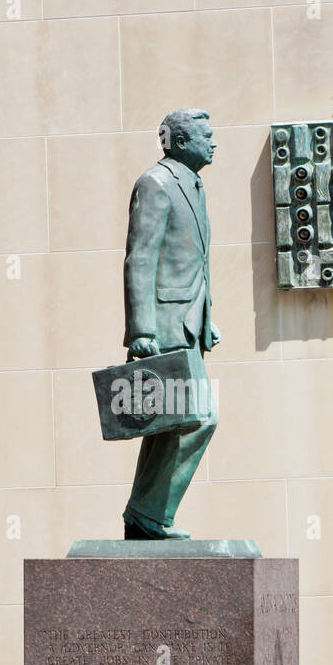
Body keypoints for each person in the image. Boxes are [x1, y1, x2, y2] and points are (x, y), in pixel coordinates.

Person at [121, 108, 221, 540]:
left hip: (188, 323)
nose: (214, 142)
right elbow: (140, 257)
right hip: (163, 327)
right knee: (198, 417)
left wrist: (207, 318)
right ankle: (147, 513)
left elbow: (194, 261)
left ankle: (144, 516)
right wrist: (141, 329)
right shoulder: (156, 183)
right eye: (205, 135)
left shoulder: (194, 187)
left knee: (171, 422)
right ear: (181, 142)